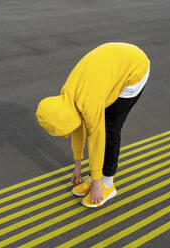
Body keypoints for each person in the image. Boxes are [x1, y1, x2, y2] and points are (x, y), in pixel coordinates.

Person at [36, 42, 150, 208]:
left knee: (110, 128)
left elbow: (96, 137)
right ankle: (98, 176)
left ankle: (108, 184)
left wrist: (97, 184)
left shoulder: (88, 102)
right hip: (114, 60)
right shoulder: (67, 97)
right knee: (99, 120)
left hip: (135, 67)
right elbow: (77, 127)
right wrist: (77, 165)